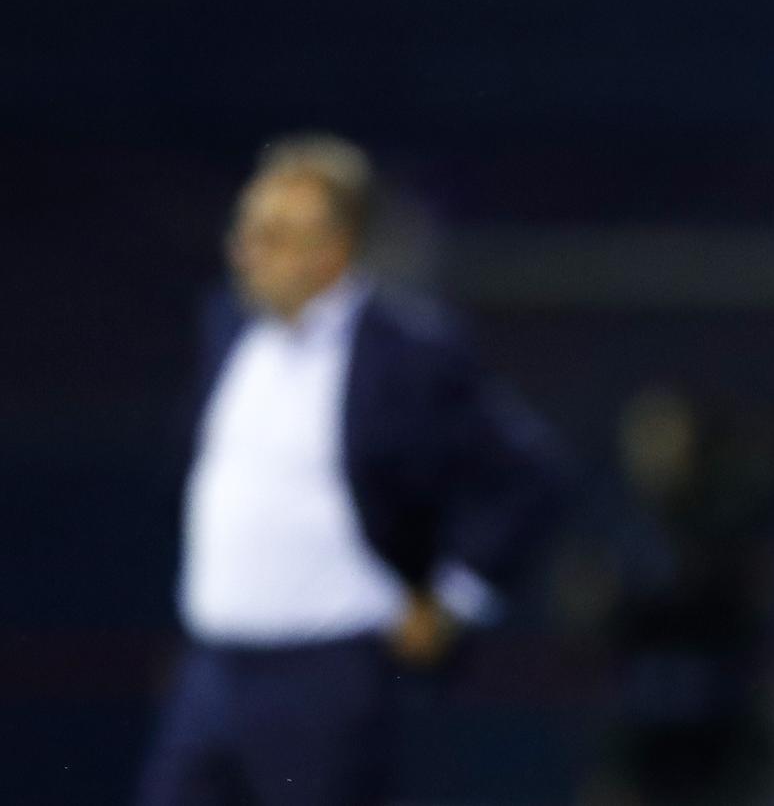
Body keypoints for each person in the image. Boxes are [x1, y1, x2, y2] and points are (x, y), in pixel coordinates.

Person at [137, 134, 570, 806]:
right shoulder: (228, 330)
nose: (246, 249)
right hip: (212, 670)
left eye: (275, 233)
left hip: (327, 676)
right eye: (247, 227)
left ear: (332, 250)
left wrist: (457, 595)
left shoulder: (406, 351)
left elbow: (529, 473)